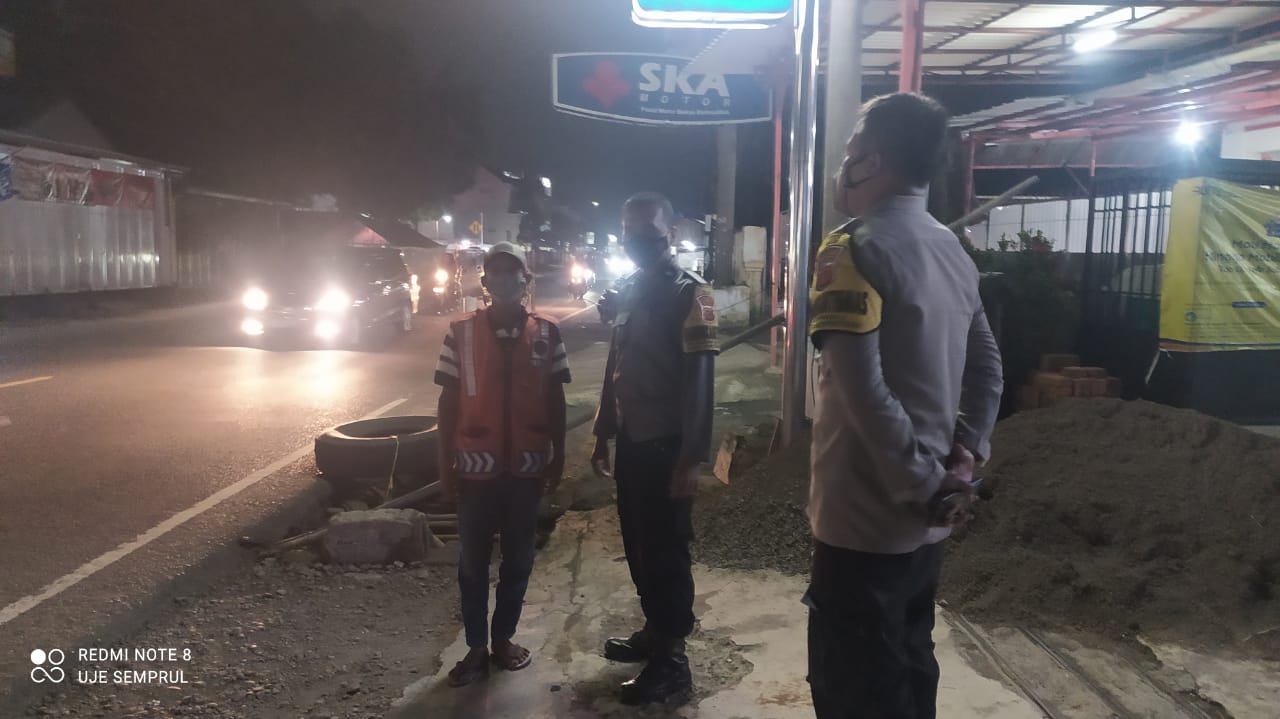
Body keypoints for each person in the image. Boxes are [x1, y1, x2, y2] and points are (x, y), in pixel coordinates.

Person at [805, 92, 1004, 719]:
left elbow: (861, 387)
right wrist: (963, 459)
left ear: (871, 162)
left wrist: (919, 481)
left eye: (848, 153)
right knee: (911, 661)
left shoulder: (851, 248)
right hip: (930, 523)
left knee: (856, 683)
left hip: (863, 520)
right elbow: (989, 369)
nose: (842, 167)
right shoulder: (951, 249)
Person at [591, 192, 718, 706]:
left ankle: (673, 661)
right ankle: (654, 631)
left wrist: (692, 456)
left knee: (667, 552)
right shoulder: (630, 288)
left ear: (671, 232)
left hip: (667, 445)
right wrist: (602, 433)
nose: (637, 241)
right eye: (630, 233)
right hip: (633, 441)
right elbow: (616, 365)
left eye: (648, 232)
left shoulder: (692, 293)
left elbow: (701, 378)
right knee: (639, 544)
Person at [434, 242, 571, 687]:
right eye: (495, 272)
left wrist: (559, 456)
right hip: (474, 472)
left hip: (527, 472)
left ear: (525, 281)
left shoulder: (548, 333)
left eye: (513, 272)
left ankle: (503, 639)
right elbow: (448, 402)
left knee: (519, 561)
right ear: (485, 281)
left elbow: (556, 399)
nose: (504, 279)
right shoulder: (460, 333)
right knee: (473, 565)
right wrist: (444, 463)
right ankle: (476, 646)